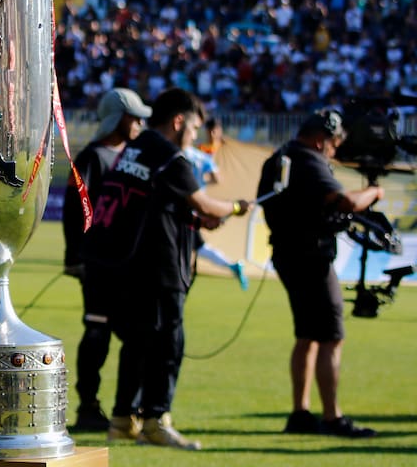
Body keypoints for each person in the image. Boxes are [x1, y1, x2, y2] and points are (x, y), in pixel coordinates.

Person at [83, 87, 253, 450]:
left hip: (124, 266)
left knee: (137, 344)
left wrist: (195, 218)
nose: (194, 137)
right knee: (167, 344)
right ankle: (157, 420)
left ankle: (122, 419)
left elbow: (162, 203)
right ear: (179, 122)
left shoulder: (136, 148)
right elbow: (204, 202)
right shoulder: (167, 154)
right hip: (158, 268)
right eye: (193, 129)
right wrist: (236, 208)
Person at [257, 110, 383, 438]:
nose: (335, 150)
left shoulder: (278, 158)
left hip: (287, 253)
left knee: (307, 336)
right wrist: (373, 191)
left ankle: (300, 413)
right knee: (331, 336)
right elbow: (344, 202)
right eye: (334, 143)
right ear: (320, 139)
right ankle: (332, 417)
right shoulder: (308, 160)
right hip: (311, 257)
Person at [62, 88, 152, 431]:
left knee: (137, 338)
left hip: (131, 267)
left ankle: (128, 409)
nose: (141, 123)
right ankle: (88, 405)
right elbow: (74, 211)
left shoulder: (137, 156)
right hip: (98, 265)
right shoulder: (91, 157)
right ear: (118, 118)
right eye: (135, 116)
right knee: (97, 333)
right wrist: (74, 256)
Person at [184, 144, 248, 290]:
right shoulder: (201, 156)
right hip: (196, 207)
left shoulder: (178, 154)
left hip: (191, 207)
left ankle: (231, 265)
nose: (194, 135)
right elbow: (216, 178)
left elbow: (205, 205)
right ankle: (231, 265)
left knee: (197, 246)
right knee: (197, 246)